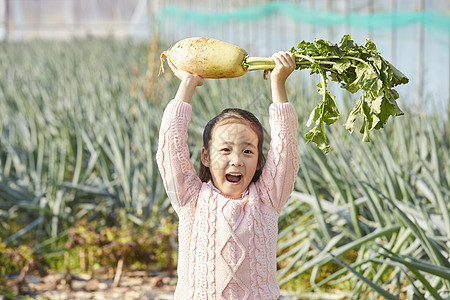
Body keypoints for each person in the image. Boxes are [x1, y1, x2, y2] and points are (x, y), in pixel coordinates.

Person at [156, 51, 300, 300]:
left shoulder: (267, 199)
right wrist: (188, 83)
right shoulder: (191, 198)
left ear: (258, 163)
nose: (236, 160)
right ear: (206, 157)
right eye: (225, 150)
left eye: (247, 151)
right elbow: (170, 147)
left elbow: (285, 151)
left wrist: (278, 83)